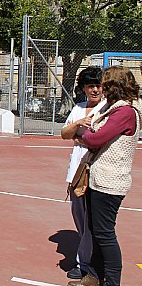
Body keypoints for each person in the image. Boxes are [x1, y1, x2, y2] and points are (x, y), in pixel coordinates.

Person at [69, 66, 141, 286]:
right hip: (98, 179)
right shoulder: (113, 109)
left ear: (115, 86)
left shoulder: (125, 112)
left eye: (106, 83)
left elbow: (94, 139)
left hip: (110, 183)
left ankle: (111, 281)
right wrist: (85, 132)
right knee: (94, 231)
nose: (102, 88)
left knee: (105, 235)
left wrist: (83, 132)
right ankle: (93, 276)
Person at [61, 67, 106, 280]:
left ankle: (84, 263)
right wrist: (78, 124)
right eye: (90, 86)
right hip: (77, 171)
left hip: (95, 170)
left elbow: (101, 138)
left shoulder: (108, 108)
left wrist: (80, 138)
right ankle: (88, 256)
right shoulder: (78, 108)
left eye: (98, 85)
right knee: (79, 218)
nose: (95, 90)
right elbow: (65, 133)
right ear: (84, 88)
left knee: (91, 221)